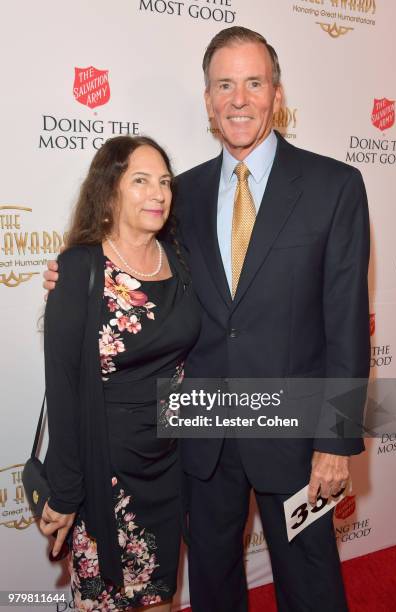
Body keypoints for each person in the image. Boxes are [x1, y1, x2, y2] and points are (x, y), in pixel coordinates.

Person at [44, 26, 370, 612]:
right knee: (214, 584)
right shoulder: (180, 194)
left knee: (313, 581)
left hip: (296, 438)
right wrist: (78, 279)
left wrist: (336, 440)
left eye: (253, 83)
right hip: (201, 437)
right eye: (224, 85)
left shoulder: (334, 186)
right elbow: (137, 269)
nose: (238, 99)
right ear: (207, 99)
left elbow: (346, 323)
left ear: (275, 92)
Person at [39, 135, 201, 611]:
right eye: (141, 181)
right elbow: (63, 390)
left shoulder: (181, 260)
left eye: (165, 182)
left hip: (169, 465)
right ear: (110, 191)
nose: (158, 193)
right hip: (103, 471)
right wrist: (67, 493)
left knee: (160, 599)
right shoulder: (79, 269)